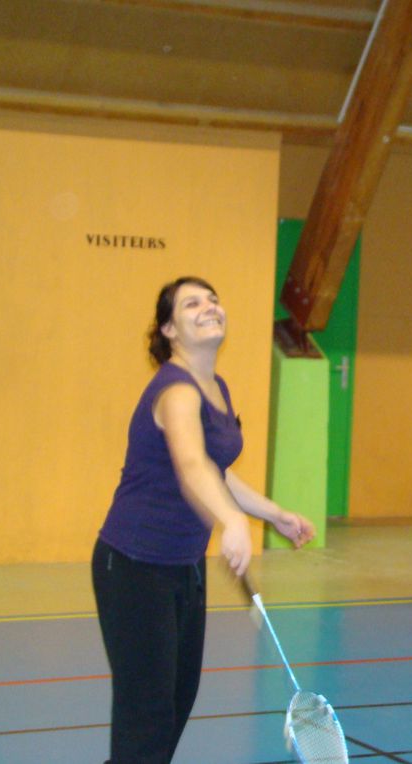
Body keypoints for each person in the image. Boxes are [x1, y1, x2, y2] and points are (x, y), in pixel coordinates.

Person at [92, 276, 315, 763]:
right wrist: (231, 521)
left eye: (213, 299)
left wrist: (272, 513)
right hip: (133, 566)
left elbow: (216, 471)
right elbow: (190, 464)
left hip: (183, 566)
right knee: (147, 712)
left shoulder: (216, 387)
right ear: (169, 328)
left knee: (175, 702)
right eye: (192, 304)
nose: (209, 307)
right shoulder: (175, 391)